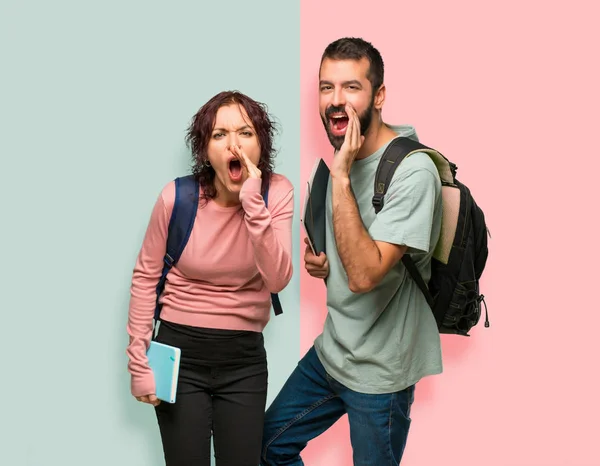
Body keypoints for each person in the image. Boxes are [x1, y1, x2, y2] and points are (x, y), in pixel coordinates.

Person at [261, 38, 443, 465]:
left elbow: (364, 275)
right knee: (268, 445)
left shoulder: (413, 172)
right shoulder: (341, 158)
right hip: (333, 353)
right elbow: (347, 261)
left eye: (351, 87)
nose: (335, 100)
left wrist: (341, 176)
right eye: (326, 88)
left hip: (381, 375)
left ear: (379, 95)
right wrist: (323, 266)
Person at [125, 90, 294, 466]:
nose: (233, 143)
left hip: (244, 362)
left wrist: (253, 203)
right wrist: (138, 361)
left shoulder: (276, 192)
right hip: (179, 355)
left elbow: (278, 278)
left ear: (261, 143)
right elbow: (145, 277)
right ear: (204, 150)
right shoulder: (176, 198)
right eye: (220, 135)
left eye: (245, 132)